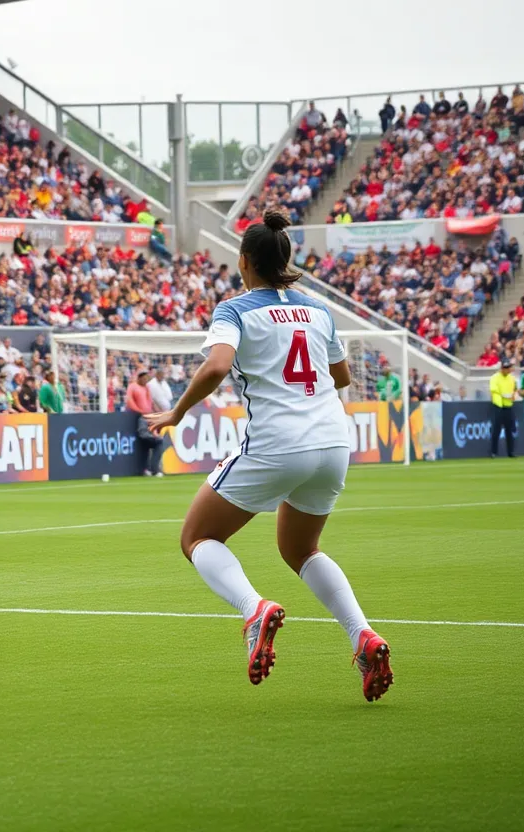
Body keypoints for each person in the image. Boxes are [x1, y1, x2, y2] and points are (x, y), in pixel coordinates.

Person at [144, 209, 392, 702]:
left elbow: (216, 368)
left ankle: (253, 609)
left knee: (196, 536)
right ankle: (363, 636)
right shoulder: (317, 309)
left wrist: (176, 412)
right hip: (333, 442)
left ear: (244, 261)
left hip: (280, 442)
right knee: (301, 550)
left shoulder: (234, 310)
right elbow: (341, 377)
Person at [488, 359, 517, 459]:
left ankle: (511, 452)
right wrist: (505, 395)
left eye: (508, 368)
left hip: (508, 405)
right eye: (505, 368)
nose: (506, 370)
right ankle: (493, 452)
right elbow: (494, 390)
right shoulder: (495, 378)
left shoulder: (512, 378)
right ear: (501, 368)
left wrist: (512, 395)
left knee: (510, 430)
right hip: (498, 405)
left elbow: (514, 389)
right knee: (496, 430)